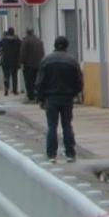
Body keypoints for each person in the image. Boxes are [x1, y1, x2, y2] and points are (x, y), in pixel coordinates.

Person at [35, 36, 83, 164]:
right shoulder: (72, 61)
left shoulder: (46, 61)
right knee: (67, 125)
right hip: (67, 98)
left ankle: (51, 154)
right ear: (66, 46)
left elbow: (40, 82)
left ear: (54, 45)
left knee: (52, 126)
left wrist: (40, 98)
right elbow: (79, 82)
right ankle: (70, 153)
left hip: (51, 99)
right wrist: (73, 94)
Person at [0, 27, 22, 96]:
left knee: (6, 75)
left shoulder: (4, 40)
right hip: (15, 60)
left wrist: (0, 53)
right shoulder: (17, 40)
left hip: (5, 60)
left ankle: (6, 89)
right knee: (14, 76)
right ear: (13, 32)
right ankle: (15, 90)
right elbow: (22, 46)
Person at [20, 28, 45, 102]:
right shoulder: (39, 40)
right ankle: (38, 95)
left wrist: (21, 62)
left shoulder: (26, 41)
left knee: (29, 81)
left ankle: (31, 97)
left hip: (29, 65)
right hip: (39, 64)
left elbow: (23, 53)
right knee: (37, 81)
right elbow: (42, 52)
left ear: (27, 32)